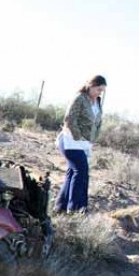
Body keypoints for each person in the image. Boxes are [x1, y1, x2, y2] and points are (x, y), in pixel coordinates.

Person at [54, 75, 107, 214]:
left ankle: (60, 207)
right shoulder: (80, 98)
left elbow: (97, 122)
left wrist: (92, 138)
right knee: (81, 171)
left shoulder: (97, 102)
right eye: (97, 89)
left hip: (84, 144)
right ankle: (75, 208)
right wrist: (79, 136)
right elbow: (69, 119)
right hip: (70, 141)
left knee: (72, 172)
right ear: (90, 85)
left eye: (101, 90)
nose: (99, 92)